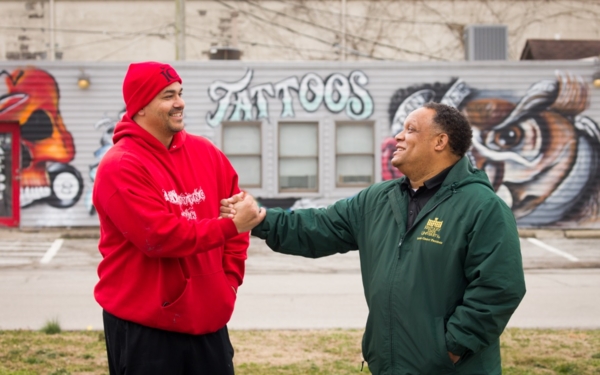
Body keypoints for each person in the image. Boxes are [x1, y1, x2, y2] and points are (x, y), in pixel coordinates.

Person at [222, 102, 526, 374]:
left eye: (411, 129)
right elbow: (317, 227)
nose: (399, 136)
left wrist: (449, 349)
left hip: (451, 367)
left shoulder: (482, 207)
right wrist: (260, 219)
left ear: (440, 141)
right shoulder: (379, 200)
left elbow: (499, 289)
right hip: (389, 364)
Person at [93, 61, 263, 375]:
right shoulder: (120, 165)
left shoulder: (206, 153)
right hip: (144, 328)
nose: (180, 102)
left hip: (209, 322)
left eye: (180, 93)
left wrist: (228, 283)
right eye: (168, 96)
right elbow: (158, 237)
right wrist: (230, 225)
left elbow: (237, 216)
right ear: (140, 107)